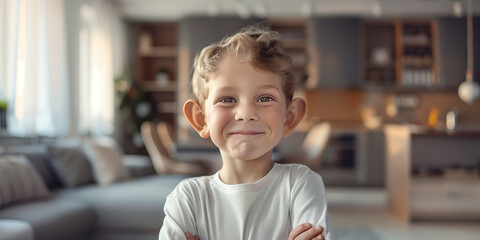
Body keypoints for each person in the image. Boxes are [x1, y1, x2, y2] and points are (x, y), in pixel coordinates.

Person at [159, 25, 335, 240]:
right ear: (201, 119)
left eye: (265, 98)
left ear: (289, 117)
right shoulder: (187, 197)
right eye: (227, 99)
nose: (246, 113)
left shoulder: (301, 183)